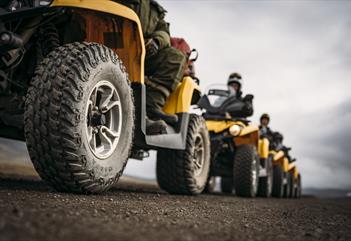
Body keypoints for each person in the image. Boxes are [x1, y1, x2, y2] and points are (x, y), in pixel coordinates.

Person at [115, 0, 187, 134]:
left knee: (176, 57)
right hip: (109, 42)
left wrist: (157, 41)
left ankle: (150, 107)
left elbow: (164, 31)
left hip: (142, 52)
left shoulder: (155, 9)